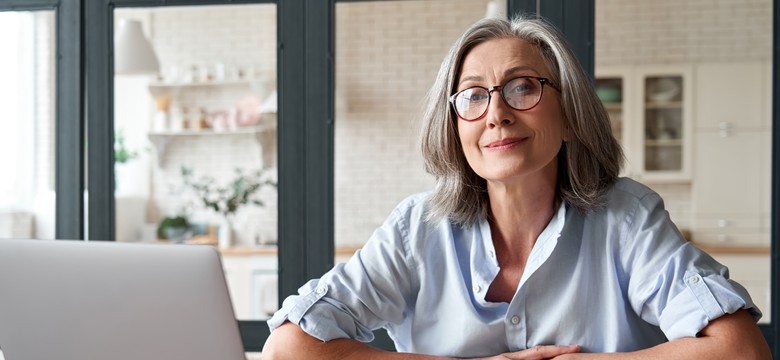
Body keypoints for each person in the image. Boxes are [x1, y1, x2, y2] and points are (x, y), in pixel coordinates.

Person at [262, 16, 772, 359]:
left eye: (523, 87)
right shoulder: (417, 228)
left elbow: (740, 349)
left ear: (569, 115)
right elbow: (288, 348)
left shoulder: (627, 216)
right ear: (454, 127)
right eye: (473, 96)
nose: (497, 113)